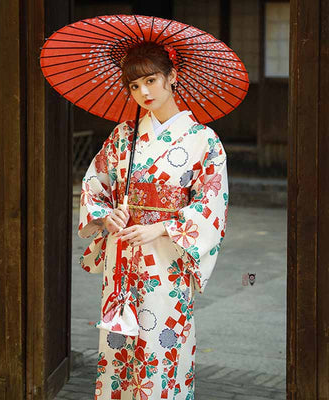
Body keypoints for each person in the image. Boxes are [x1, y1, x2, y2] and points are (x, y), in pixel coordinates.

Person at [78, 41, 229, 400]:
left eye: (151, 80)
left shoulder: (204, 141)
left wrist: (161, 227)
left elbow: (211, 206)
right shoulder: (122, 136)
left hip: (166, 256)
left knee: (163, 341)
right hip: (123, 252)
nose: (143, 92)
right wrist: (107, 213)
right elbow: (95, 184)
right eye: (133, 85)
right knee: (118, 345)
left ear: (172, 77)